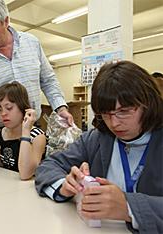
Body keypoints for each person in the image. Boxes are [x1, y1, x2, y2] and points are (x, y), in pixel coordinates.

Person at [35, 61, 163, 233]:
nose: (114, 123)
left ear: (149, 104)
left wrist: (128, 207)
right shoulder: (97, 138)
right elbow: (48, 166)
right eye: (106, 114)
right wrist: (66, 187)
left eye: (124, 111)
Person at [0, 0, 73, 167]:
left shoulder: (32, 43)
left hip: (32, 130)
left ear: (6, 21)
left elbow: (48, 80)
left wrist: (61, 108)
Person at [0, 82, 46, 180]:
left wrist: (25, 132)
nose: (3, 113)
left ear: (23, 108)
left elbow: (25, 174)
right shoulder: (3, 133)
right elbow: (4, 162)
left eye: (9, 108)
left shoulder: (37, 136)